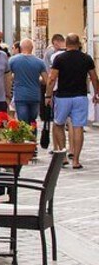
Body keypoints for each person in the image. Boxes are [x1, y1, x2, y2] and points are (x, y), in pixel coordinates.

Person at [46, 34, 99, 169]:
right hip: (80, 96)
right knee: (78, 127)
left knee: (58, 124)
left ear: (66, 43)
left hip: (63, 96)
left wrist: (48, 95)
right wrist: (96, 93)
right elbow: (94, 77)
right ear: (79, 43)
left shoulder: (59, 58)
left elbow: (52, 78)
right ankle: (76, 160)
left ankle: (63, 155)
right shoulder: (86, 58)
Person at [9, 39, 48, 124]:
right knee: (32, 121)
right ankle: (33, 136)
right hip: (35, 96)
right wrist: (37, 80)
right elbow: (45, 80)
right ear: (32, 48)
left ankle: (24, 137)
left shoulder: (13, 60)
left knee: (23, 123)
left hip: (20, 95)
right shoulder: (40, 62)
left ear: (20, 47)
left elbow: (8, 78)